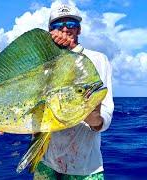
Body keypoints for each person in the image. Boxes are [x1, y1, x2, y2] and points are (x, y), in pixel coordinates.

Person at [33, 4, 114, 179]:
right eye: (57, 25)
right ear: (50, 32)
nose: (64, 29)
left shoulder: (99, 59)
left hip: (85, 168)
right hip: (46, 163)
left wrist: (95, 119)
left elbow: (105, 115)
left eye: (70, 24)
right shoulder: (43, 65)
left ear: (79, 29)